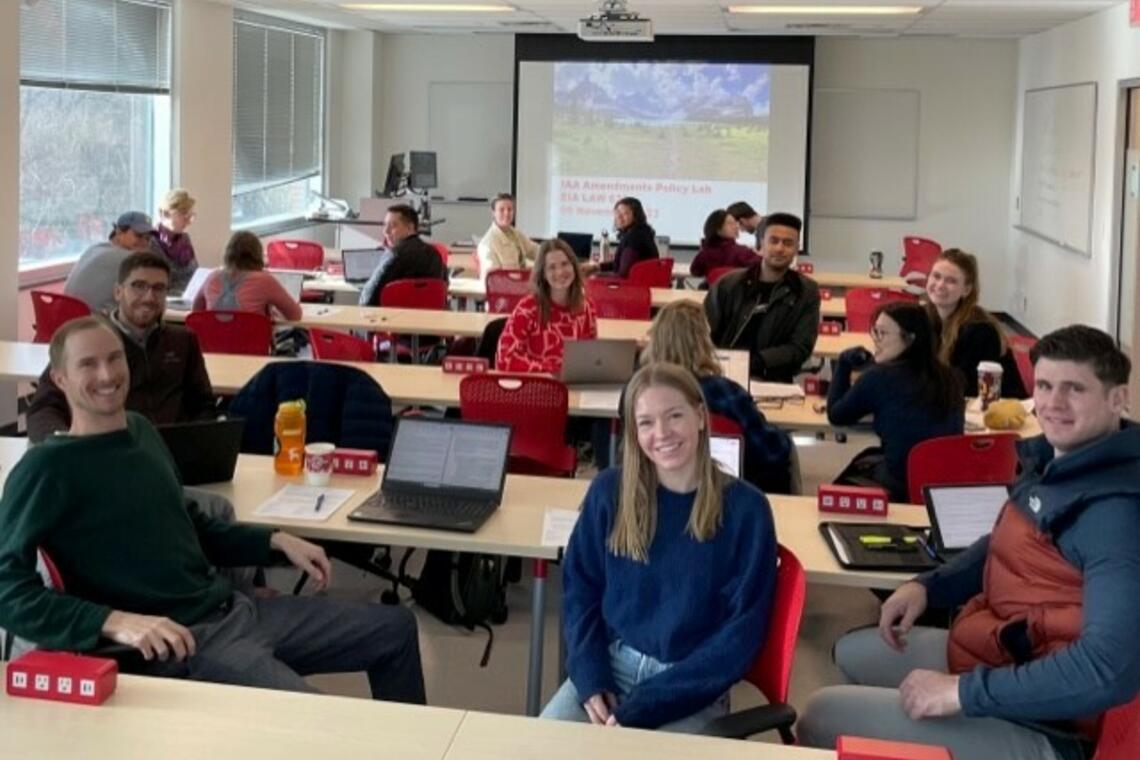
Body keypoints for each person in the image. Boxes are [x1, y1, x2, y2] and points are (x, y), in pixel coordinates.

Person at [0, 317, 426, 702]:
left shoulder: (141, 431)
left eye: (114, 359)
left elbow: (190, 524)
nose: (107, 374)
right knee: (327, 726)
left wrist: (272, 540)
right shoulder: (46, 468)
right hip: (184, 642)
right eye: (88, 365)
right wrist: (111, 621)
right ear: (59, 378)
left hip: (233, 611)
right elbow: (7, 591)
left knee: (396, 629)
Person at [799, 325, 1140, 760]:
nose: (1054, 403)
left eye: (1075, 389)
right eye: (1046, 386)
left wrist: (962, 693)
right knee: (853, 651)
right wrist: (929, 586)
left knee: (822, 714)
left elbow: (1107, 670)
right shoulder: (1056, 463)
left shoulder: (1115, 512)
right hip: (1008, 649)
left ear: (1118, 399)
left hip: (1053, 726)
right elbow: (1005, 544)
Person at [541, 362, 777, 731]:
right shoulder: (609, 491)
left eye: (674, 416)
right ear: (634, 432)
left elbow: (741, 632)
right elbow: (580, 591)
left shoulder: (747, 510)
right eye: (646, 422)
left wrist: (646, 706)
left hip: (691, 684)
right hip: (612, 666)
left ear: (700, 416)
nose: (662, 433)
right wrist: (589, 677)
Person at [27, 251, 216, 443]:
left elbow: (204, 405)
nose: (149, 297)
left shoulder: (183, 341)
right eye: (139, 286)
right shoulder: (88, 340)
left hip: (172, 453)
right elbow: (43, 408)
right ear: (118, 292)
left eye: (159, 288)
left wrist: (194, 442)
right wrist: (64, 445)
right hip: (109, 450)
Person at [639, 300, 795, 494]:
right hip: (727, 493)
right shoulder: (726, 393)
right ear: (704, 342)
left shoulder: (640, 394)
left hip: (655, 490)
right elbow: (772, 451)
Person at [827, 301, 964, 502]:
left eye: (883, 333)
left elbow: (836, 415)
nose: (876, 340)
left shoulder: (878, 377)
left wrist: (843, 363)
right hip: (944, 487)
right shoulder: (951, 378)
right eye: (875, 332)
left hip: (900, 485)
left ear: (909, 340)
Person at [704, 212, 820, 382]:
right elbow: (703, 332)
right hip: (722, 375)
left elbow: (800, 347)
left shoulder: (806, 291)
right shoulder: (729, 284)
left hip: (774, 379)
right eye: (773, 241)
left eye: (788, 243)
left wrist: (757, 362)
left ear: (796, 249)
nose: (780, 248)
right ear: (761, 244)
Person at [925, 249, 1026, 399]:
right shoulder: (926, 318)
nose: (940, 285)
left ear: (966, 290)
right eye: (936, 276)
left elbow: (966, 387)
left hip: (999, 410)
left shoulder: (980, 331)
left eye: (951, 281)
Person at [495, 238, 597, 374]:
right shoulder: (528, 308)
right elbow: (504, 360)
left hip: (573, 388)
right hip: (536, 387)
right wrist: (551, 371)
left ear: (574, 266)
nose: (560, 272)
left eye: (565, 264)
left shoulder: (586, 307)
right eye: (552, 267)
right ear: (543, 274)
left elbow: (591, 356)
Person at [192, 231, 302, 321]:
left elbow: (196, 311)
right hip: (252, 346)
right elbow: (295, 315)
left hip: (211, 345)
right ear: (257, 255)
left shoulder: (212, 277)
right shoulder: (264, 280)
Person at [64, 211, 156, 313]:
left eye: (148, 239)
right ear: (119, 232)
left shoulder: (95, 248)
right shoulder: (130, 259)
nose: (144, 243)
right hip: (94, 323)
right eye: (138, 235)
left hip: (66, 318)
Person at [359, 204, 447, 307]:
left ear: (410, 228)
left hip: (390, 318)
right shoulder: (434, 254)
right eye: (385, 225)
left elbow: (367, 299)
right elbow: (444, 286)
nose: (386, 231)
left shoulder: (393, 255)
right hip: (428, 318)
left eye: (393, 226)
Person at [590, 197, 659, 279]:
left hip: (633, 288)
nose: (619, 216)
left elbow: (623, 276)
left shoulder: (633, 237)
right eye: (617, 212)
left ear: (636, 216)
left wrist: (594, 276)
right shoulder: (642, 232)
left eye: (625, 213)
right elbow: (622, 264)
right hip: (643, 286)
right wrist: (596, 267)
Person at [476, 193, 539, 281]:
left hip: (520, 285)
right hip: (504, 290)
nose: (506, 213)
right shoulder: (487, 243)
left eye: (510, 209)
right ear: (493, 213)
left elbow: (533, 250)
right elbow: (493, 278)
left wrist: (552, 252)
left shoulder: (515, 233)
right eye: (501, 210)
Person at [152, 188, 199, 294]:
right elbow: (157, 281)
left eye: (191, 216)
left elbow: (194, 274)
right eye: (183, 214)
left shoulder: (185, 240)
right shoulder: (151, 241)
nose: (188, 220)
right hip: (165, 299)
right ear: (165, 214)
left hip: (188, 297)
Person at [689, 209, 760, 277]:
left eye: (735, 223)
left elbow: (695, 271)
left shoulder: (704, 254)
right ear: (717, 229)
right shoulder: (742, 252)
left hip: (713, 289)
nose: (736, 226)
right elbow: (760, 266)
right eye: (730, 224)